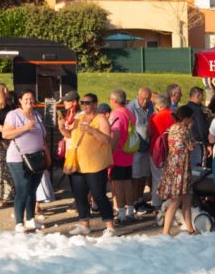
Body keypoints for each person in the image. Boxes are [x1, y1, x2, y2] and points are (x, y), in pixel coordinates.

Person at [64, 93, 116, 238]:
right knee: (80, 195)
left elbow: (107, 139)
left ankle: (110, 226)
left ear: (95, 104)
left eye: (88, 102)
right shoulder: (78, 118)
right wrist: (62, 128)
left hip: (96, 165)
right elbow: (70, 135)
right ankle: (84, 224)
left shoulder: (101, 119)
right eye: (83, 102)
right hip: (79, 164)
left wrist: (92, 130)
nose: (85, 105)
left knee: (99, 195)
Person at [2, 90, 48, 233]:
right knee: (23, 189)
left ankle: (30, 219)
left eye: (31, 99)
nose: (29, 101)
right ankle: (19, 222)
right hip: (18, 159)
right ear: (20, 101)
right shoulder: (13, 115)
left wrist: (47, 155)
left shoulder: (37, 115)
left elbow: (43, 137)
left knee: (32, 190)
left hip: (36, 158)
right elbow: (5, 134)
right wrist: (25, 128)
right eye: (26, 99)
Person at [159, 105, 196, 236]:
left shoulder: (173, 127)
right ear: (186, 118)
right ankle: (166, 231)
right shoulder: (184, 130)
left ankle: (190, 229)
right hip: (182, 168)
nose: (193, 120)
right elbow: (191, 147)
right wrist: (191, 132)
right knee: (178, 200)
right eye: (192, 117)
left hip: (173, 166)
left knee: (185, 198)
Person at [107, 90, 137, 223]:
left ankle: (121, 214)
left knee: (118, 185)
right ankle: (130, 211)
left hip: (118, 154)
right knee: (128, 183)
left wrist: (110, 153)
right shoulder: (129, 112)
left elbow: (116, 134)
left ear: (114, 101)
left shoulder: (116, 114)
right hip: (129, 153)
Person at [148, 92, 176, 210]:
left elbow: (148, 133)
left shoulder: (154, 117)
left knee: (157, 178)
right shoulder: (175, 115)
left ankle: (157, 203)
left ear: (158, 105)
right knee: (171, 177)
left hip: (156, 150)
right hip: (172, 150)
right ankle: (170, 203)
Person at [129, 86, 154, 211]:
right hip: (136, 148)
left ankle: (140, 199)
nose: (146, 102)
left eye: (148, 99)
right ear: (138, 96)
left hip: (146, 147)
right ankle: (134, 201)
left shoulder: (150, 106)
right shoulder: (131, 108)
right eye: (144, 99)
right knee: (136, 176)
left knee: (144, 174)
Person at [186, 87, 208, 167]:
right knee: (199, 168)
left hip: (187, 143)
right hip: (198, 144)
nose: (202, 99)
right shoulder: (197, 110)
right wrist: (207, 143)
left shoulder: (184, 108)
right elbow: (202, 129)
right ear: (198, 95)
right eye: (202, 96)